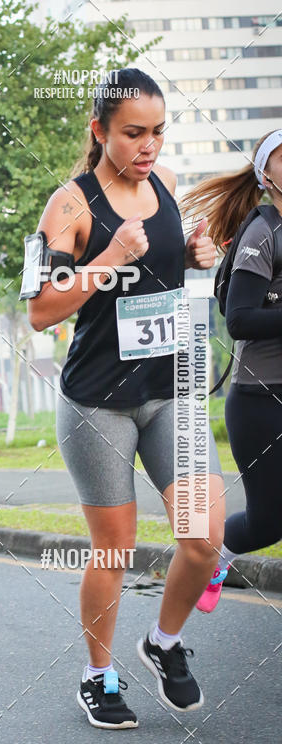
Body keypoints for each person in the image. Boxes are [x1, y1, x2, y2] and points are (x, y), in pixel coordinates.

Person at [26, 68, 224, 728]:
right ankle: (98, 674)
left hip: (168, 389)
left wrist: (193, 256)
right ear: (99, 131)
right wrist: (107, 254)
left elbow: (164, 266)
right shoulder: (69, 206)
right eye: (134, 133)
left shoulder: (164, 185)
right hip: (98, 400)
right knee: (115, 550)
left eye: (159, 132)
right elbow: (42, 310)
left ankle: (162, 643)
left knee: (202, 540)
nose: (149, 147)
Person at [180, 129, 282, 612]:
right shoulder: (263, 232)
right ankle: (213, 555)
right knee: (268, 521)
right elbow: (239, 319)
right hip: (263, 402)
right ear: (265, 175)